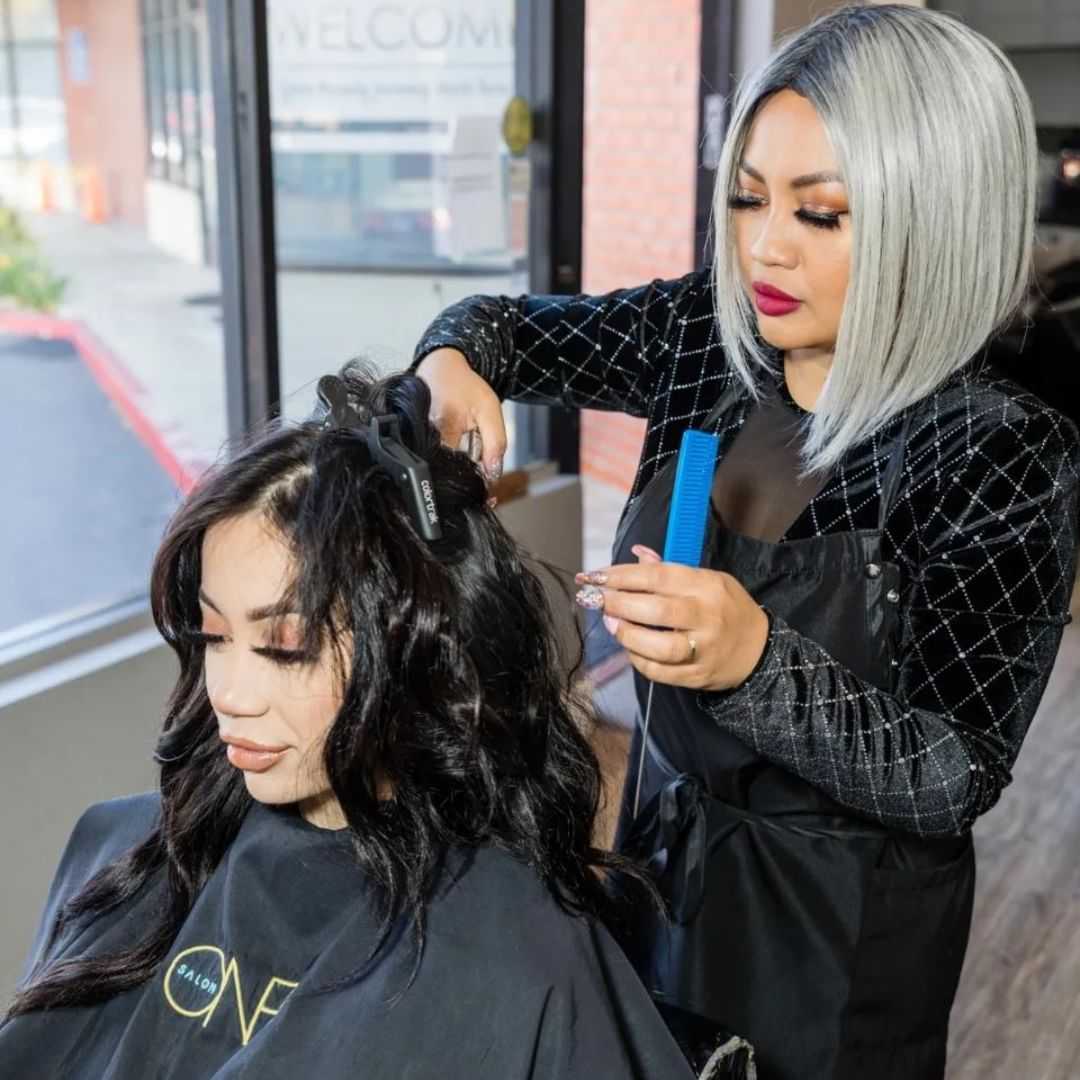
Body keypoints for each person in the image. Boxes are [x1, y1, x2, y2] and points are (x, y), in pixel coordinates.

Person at [409, 5, 1080, 1078]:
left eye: (822, 215)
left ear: (935, 219)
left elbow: (953, 769)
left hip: (844, 932)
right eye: (746, 196)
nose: (764, 247)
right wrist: (450, 361)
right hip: (665, 856)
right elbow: (497, 329)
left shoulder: (997, 453)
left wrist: (756, 662)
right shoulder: (702, 341)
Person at [0, 364, 703, 1080]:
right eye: (213, 637)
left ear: (407, 649)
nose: (230, 694)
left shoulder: (513, 950)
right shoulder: (117, 854)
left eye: (285, 647)